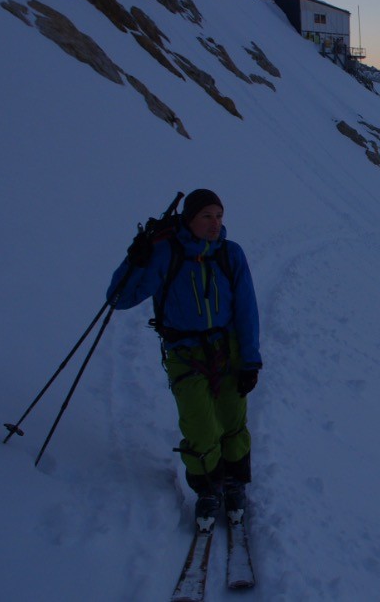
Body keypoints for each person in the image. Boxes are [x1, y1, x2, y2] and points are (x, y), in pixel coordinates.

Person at [107, 189, 262, 532]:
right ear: (189, 219)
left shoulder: (230, 254)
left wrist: (250, 360)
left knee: (233, 421)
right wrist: (136, 259)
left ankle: (234, 483)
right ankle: (208, 489)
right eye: (207, 216)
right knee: (200, 426)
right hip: (184, 354)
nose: (215, 224)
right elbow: (119, 298)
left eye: (219, 216)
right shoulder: (166, 253)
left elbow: (247, 310)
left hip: (228, 349)